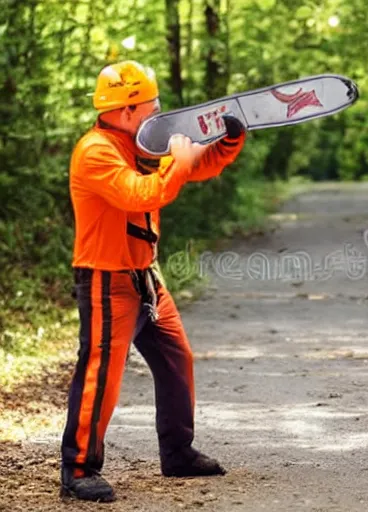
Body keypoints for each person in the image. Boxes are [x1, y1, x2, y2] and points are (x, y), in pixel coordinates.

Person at [59, 60, 246, 503]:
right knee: (100, 373)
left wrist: (226, 144)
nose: (159, 111)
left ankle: (177, 452)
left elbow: (193, 166)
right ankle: (79, 468)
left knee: (177, 359)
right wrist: (176, 165)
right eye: (151, 105)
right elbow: (141, 193)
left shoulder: (139, 140)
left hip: (144, 274)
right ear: (126, 110)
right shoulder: (96, 151)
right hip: (107, 279)